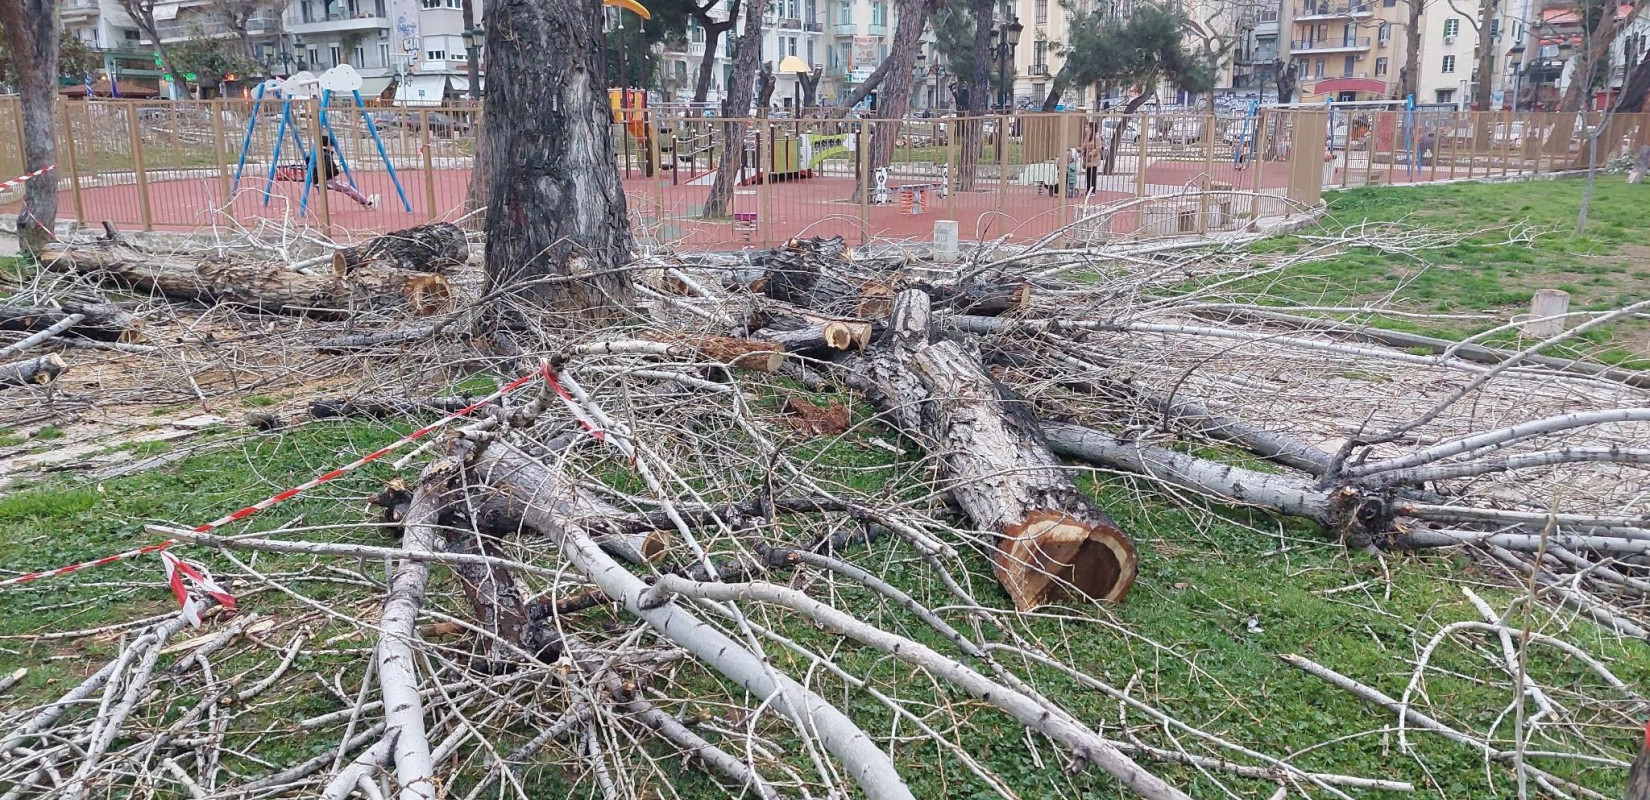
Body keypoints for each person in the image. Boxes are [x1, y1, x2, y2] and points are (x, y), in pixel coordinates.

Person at [313, 134, 377, 209]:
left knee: (345, 186)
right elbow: (332, 170)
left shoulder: (314, 154)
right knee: (348, 188)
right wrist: (336, 169)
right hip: (327, 180)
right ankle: (368, 203)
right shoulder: (326, 155)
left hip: (316, 179)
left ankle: (364, 200)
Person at [1081, 125, 1102, 195]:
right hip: (1087, 159)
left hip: (1093, 159)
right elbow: (1084, 145)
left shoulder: (1096, 137)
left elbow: (1098, 147)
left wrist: (1091, 153)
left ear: (1091, 128)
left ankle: (1093, 190)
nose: (1085, 129)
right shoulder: (1087, 137)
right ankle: (1088, 190)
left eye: (1087, 127)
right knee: (1088, 175)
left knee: (1093, 175)